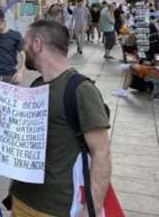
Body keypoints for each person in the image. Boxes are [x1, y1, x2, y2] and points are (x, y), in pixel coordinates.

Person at [10, 20, 111, 217]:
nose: (23, 49)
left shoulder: (81, 89)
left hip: (56, 207)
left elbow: (102, 153)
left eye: (26, 43)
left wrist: (91, 209)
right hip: (22, 199)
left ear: (37, 44)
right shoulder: (37, 85)